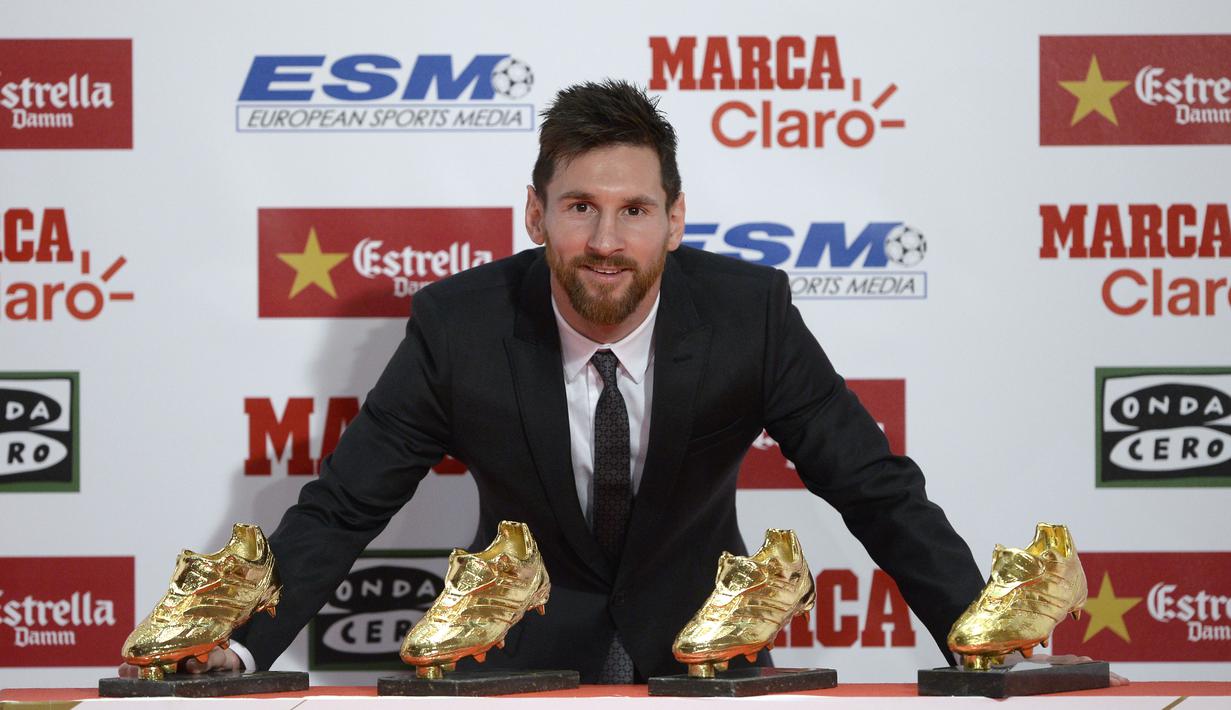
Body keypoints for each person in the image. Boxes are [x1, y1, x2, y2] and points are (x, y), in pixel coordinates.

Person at [130, 80, 988, 683]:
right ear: (536, 213)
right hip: (516, 667)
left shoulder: (747, 314)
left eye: (633, 210)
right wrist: (236, 648)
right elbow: (346, 505)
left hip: (706, 663)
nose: (606, 240)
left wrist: (981, 638)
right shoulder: (458, 328)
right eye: (580, 207)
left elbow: (873, 489)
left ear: (674, 220)